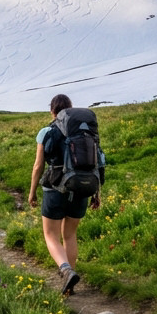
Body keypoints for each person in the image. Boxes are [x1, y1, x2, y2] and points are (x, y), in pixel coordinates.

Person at [27, 93, 101, 295]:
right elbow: (98, 162)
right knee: (70, 235)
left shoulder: (46, 131)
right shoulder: (85, 131)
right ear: (70, 109)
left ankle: (66, 271)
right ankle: (70, 286)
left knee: (51, 235)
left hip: (54, 189)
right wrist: (97, 194)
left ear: (52, 111)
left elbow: (38, 166)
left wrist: (32, 193)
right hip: (82, 187)